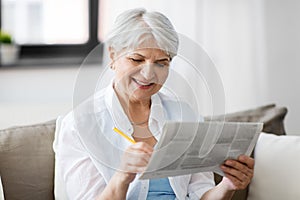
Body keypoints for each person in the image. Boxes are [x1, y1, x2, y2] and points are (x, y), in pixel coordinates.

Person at [55, 8, 254, 200]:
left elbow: (200, 193)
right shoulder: (79, 125)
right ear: (113, 55)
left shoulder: (184, 114)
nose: (149, 74)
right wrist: (122, 177)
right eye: (137, 59)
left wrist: (228, 186)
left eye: (161, 63)